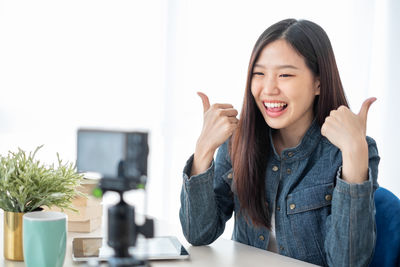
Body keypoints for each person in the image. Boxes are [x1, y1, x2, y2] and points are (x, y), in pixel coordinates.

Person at [179, 18, 379, 267]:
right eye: (259, 74)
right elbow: (198, 234)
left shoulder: (352, 150)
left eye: (284, 74)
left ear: (318, 82)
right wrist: (203, 151)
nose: (268, 88)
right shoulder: (238, 142)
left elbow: (348, 262)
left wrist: (354, 153)